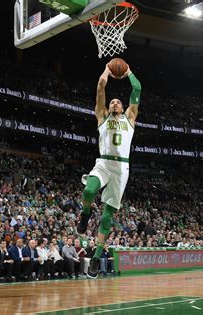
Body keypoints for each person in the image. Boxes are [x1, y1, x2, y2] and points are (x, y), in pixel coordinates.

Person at [77, 62, 141, 279]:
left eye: (118, 102)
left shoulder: (130, 118)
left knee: (106, 218)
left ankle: (96, 256)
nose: (114, 103)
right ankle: (85, 214)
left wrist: (129, 71)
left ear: (123, 108)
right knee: (88, 191)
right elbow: (100, 88)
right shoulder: (102, 117)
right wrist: (106, 69)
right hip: (103, 162)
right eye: (112, 101)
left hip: (122, 167)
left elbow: (138, 89)